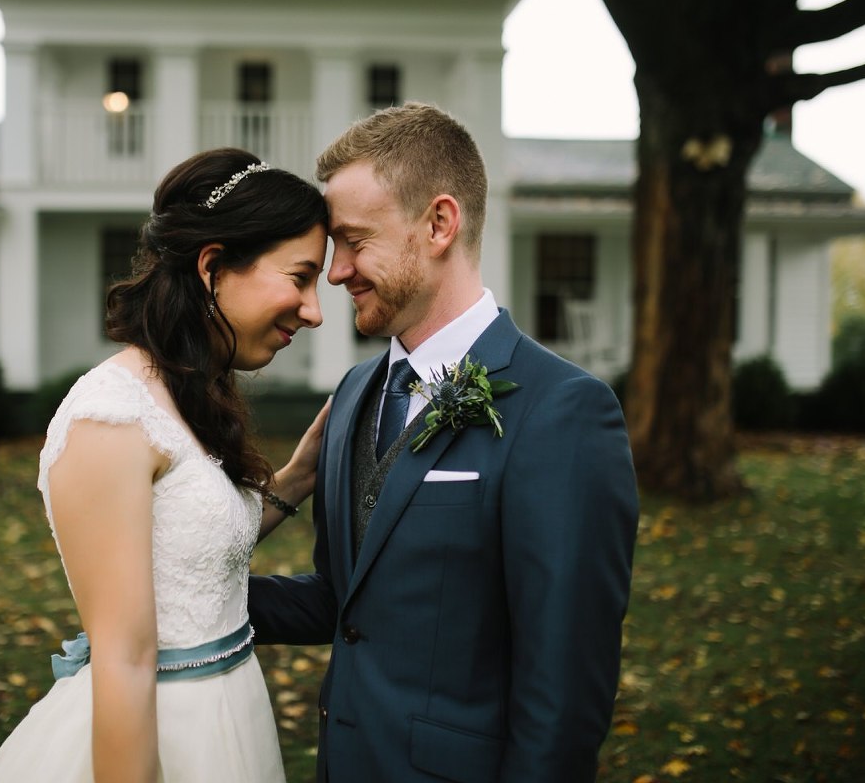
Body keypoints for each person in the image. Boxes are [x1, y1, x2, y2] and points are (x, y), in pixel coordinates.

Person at [248, 103, 640, 782]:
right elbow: (348, 599)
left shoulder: (564, 413)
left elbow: (565, 695)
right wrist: (188, 592)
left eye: (354, 241)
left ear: (439, 223)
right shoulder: (351, 398)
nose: (336, 272)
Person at [0, 147, 331, 783]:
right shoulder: (110, 419)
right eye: (299, 277)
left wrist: (301, 474)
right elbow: (127, 661)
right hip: (159, 739)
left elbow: (191, 558)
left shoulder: (184, 393)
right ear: (213, 267)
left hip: (230, 719)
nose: (314, 310)